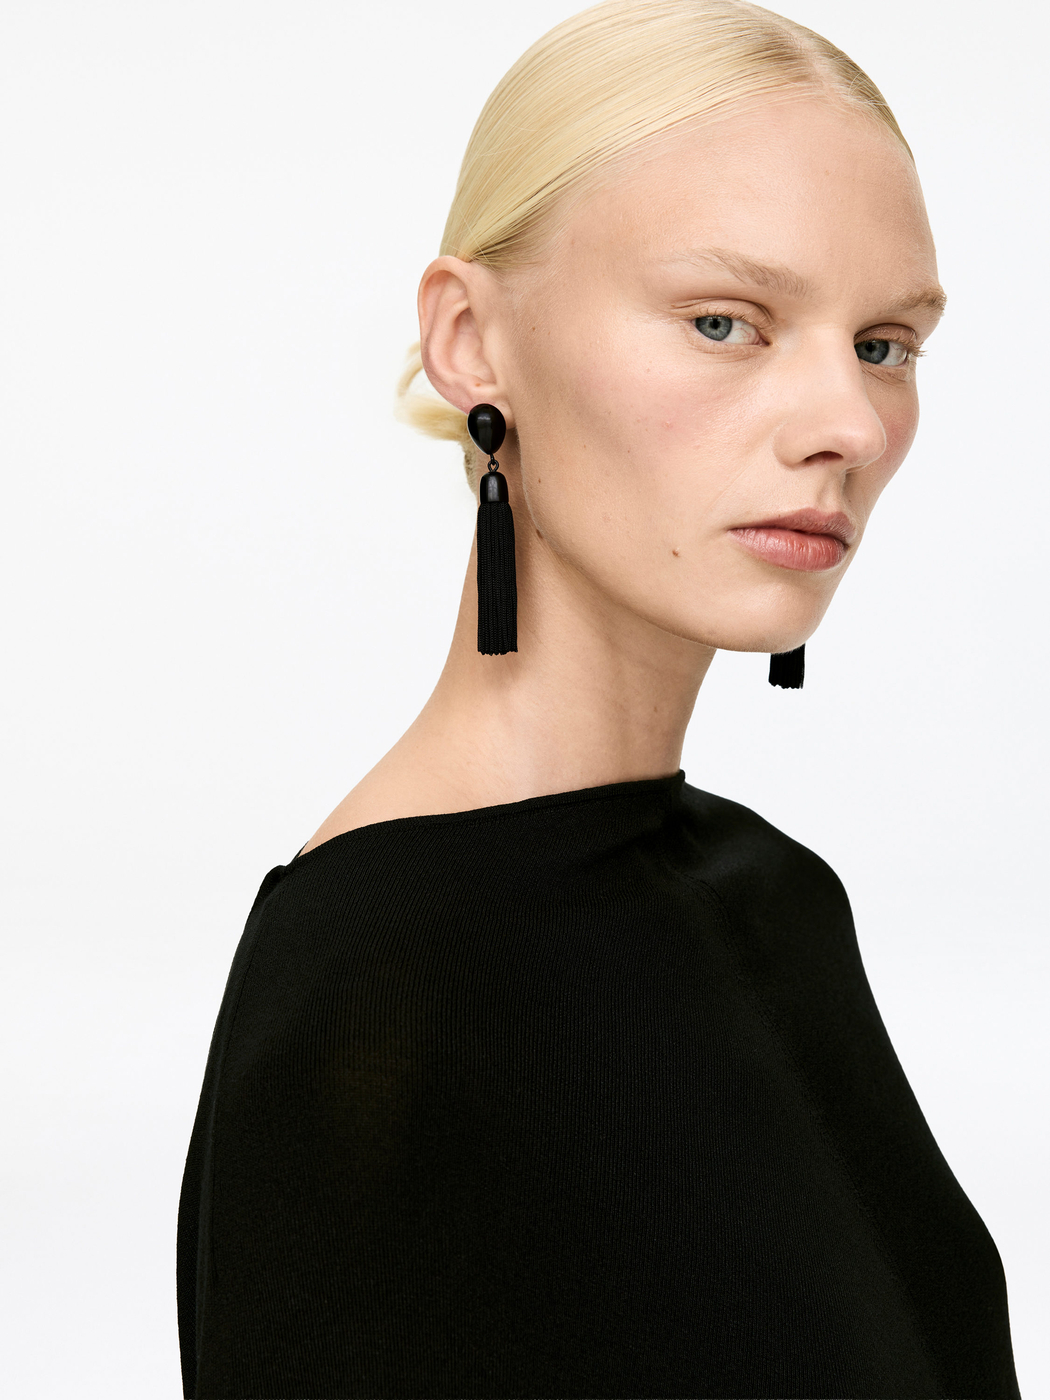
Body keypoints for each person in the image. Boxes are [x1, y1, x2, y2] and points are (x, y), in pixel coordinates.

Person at [177, 2, 1020, 1396]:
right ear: (469, 339)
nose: (849, 426)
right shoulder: (380, 1000)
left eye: (884, 344)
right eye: (724, 322)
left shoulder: (775, 897)